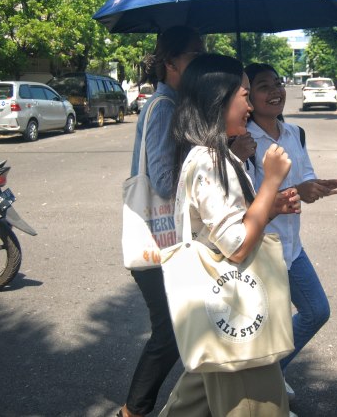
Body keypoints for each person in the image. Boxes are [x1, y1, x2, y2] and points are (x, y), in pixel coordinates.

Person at [159, 53, 294, 416]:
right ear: (218, 99)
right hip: (236, 310)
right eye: (245, 95)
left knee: (189, 405)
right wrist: (271, 183)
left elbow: (230, 223)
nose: (250, 106)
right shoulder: (208, 159)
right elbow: (236, 246)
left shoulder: (218, 155)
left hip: (220, 313)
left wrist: (271, 205)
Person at [244, 62, 337, 400]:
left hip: (291, 247)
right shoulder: (242, 143)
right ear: (247, 95)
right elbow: (244, 206)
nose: (275, 91)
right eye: (263, 86)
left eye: (277, 83)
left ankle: (271, 372)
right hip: (258, 253)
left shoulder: (295, 133)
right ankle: (259, 391)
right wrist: (295, 193)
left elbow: (305, 180)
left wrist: (314, 187)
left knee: (316, 311)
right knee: (262, 328)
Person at [119, 25, 205, 417]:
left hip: (170, 240)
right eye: (194, 53)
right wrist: (203, 150)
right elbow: (164, 181)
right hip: (159, 238)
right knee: (169, 333)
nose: (201, 59)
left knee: (189, 326)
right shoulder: (165, 106)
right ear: (170, 63)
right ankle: (133, 411)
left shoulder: (175, 103)